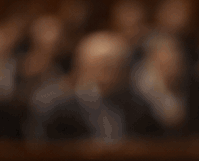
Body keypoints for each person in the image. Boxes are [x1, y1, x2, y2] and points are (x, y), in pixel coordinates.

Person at [27, 31, 161, 141]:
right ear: (82, 65)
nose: (108, 71)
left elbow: (153, 142)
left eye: (116, 64)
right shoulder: (59, 106)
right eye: (101, 64)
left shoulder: (137, 106)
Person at [131, 33, 189, 134]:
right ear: (151, 56)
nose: (176, 57)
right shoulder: (137, 92)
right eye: (168, 52)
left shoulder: (186, 86)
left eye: (177, 52)